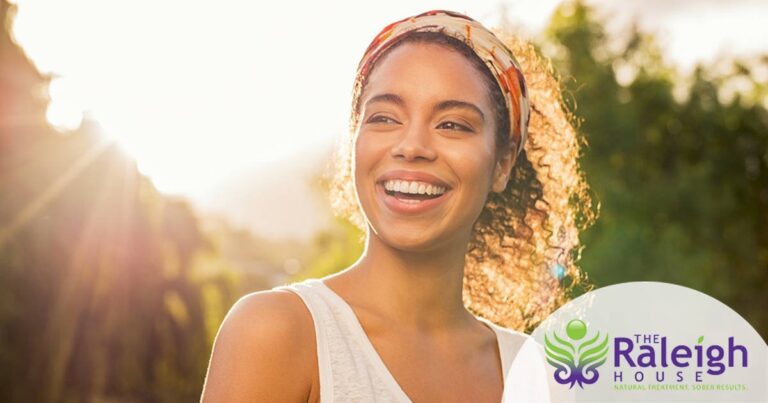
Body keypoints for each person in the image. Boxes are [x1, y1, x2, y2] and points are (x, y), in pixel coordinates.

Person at [200, 9, 596, 403]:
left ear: (503, 163)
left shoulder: (541, 374)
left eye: (452, 124)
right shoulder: (277, 332)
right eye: (385, 118)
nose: (411, 147)